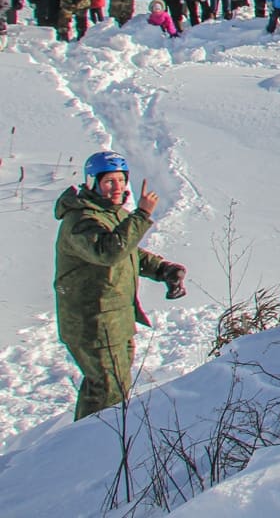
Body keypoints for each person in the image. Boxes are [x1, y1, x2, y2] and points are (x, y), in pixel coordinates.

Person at [54, 151, 186, 420]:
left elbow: (128, 252)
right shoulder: (81, 220)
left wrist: (163, 269)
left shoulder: (109, 214)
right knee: (107, 393)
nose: (116, 188)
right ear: (93, 183)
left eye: (120, 180)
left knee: (109, 390)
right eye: (108, 182)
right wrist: (141, 215)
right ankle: (89, 452)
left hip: (114, 319)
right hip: (93, 321)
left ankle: (82, 449)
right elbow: (108, 252)